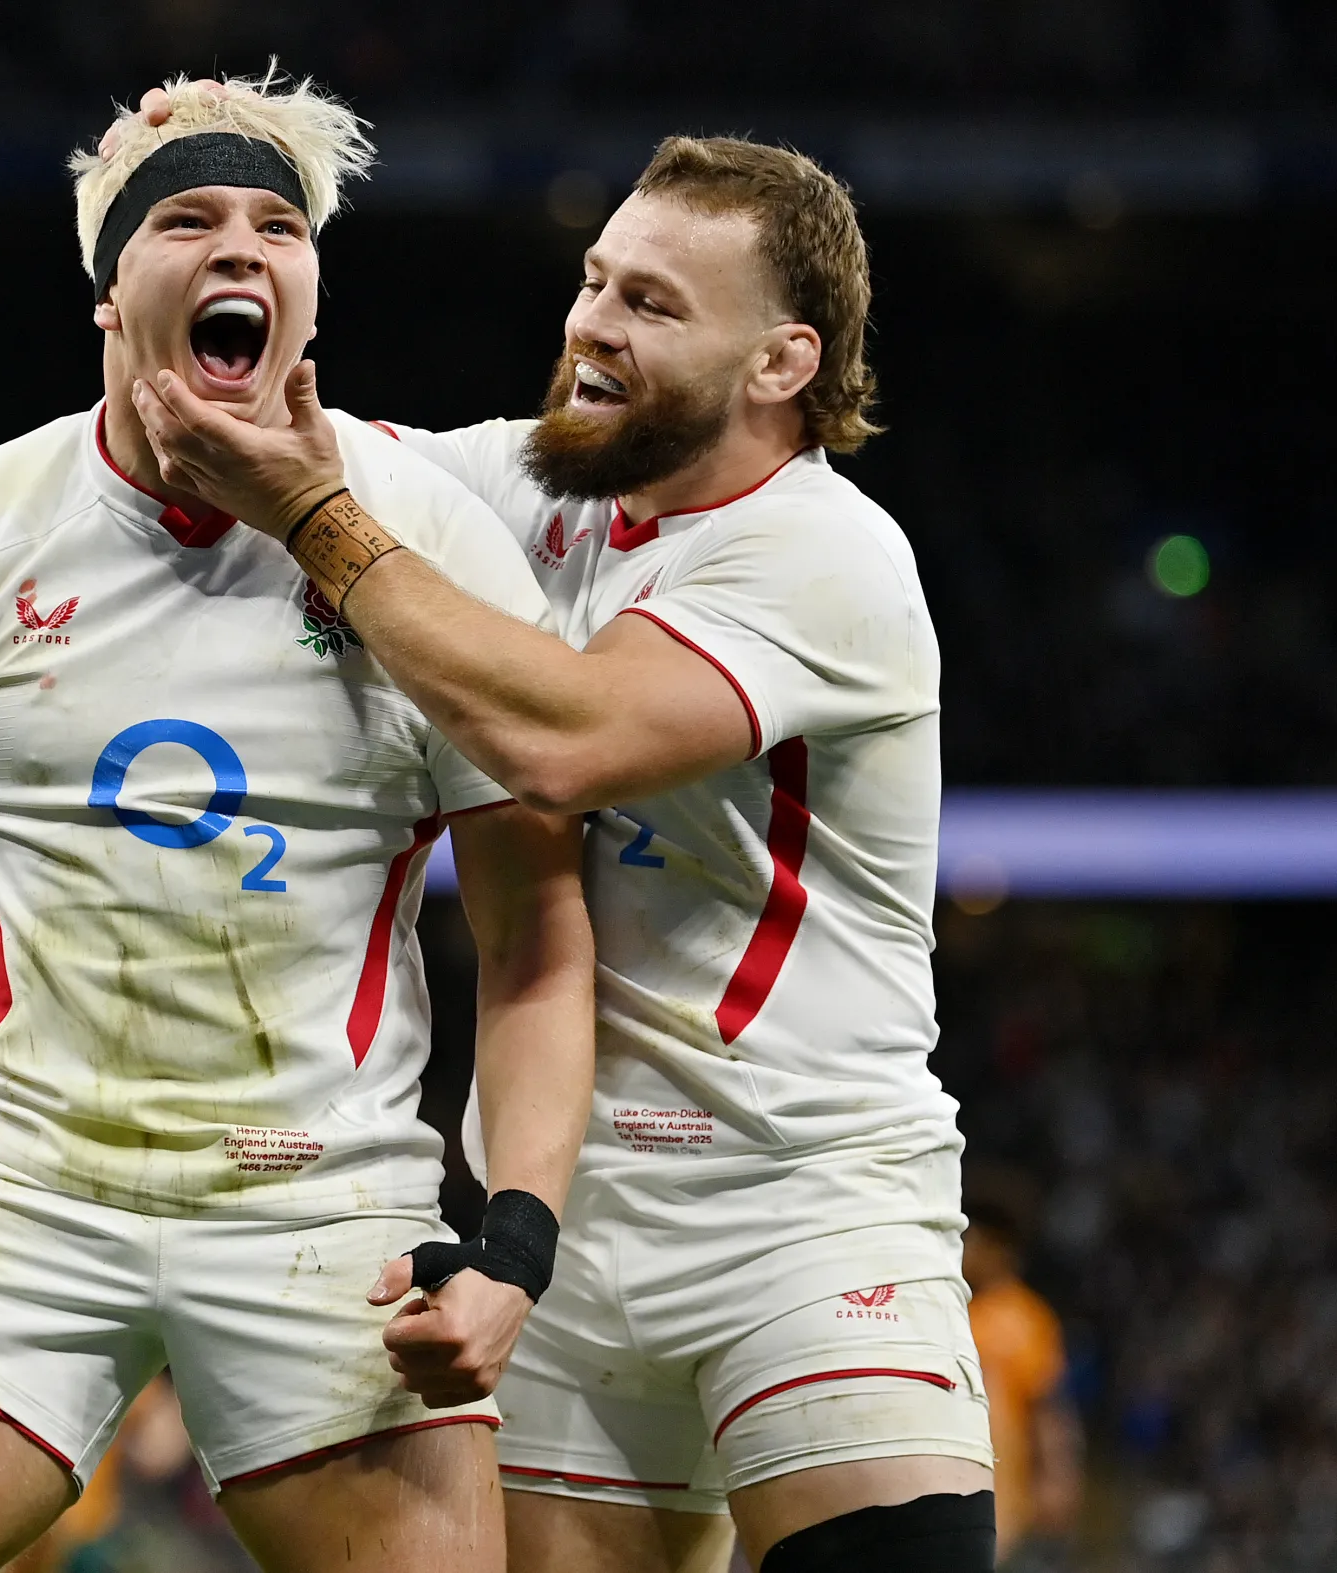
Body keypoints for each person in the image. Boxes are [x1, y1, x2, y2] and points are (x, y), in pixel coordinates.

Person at [0, 71, 596, 1573]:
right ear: (107, 292)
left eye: (278, 225)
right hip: (17, 1196)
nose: (240, 250)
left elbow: (534, 936)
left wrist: (514, 1244)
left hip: (319, 1207)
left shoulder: (432, 541)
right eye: (189, 217)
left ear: (313, 298)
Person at [133, 118, 995, 1572]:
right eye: (596, 280)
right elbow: (279, 440)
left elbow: (564, 737)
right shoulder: (539, 489)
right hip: (564, 1239)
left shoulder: (826, 552)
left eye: (651, 304)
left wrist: (315, 519)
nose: (590, 324)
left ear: (783, 362)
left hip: (803, 1212)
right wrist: (189, 179)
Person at [961, 1197, 1081, 1563]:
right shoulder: (953, 1305)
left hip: (1006, 1491)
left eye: (972, 1240)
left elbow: (1048, 1407)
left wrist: (1058, 1478)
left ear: (999, 1246)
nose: (963, 1249)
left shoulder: (1027, 1320)